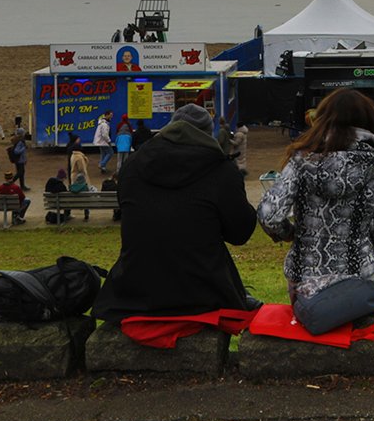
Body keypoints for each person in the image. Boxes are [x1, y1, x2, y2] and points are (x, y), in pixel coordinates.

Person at [91, 103, 258, 322]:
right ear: (208, 134)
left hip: (136, 289)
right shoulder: (221, 170)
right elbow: (240, 233)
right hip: (203, 291)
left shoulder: (132, 166)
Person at [256, 89, 374, 337]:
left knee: (311, 342)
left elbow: (270, 215)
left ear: (322, 120)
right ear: (370, 123)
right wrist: (362, 229)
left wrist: (291, 233)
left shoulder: (301, 162)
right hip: (361, 283)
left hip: (305, 280)